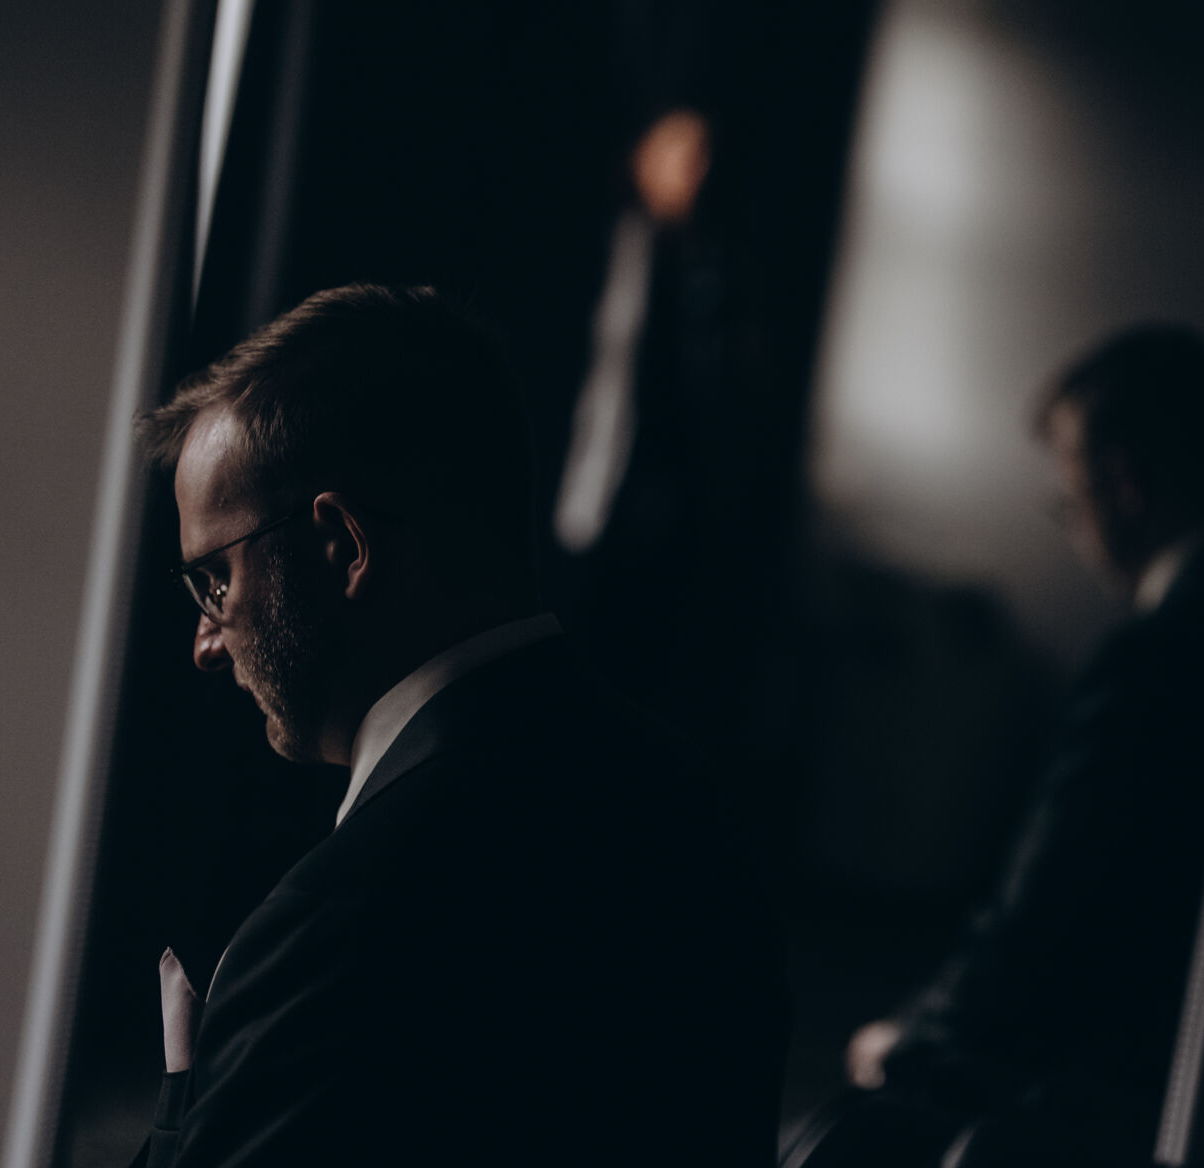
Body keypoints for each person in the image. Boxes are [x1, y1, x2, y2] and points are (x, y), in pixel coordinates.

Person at [128, 283, 785, 1167]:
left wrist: (187, 1096)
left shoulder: (332, 932)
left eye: (215, 580)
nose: (207, 643)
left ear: (342, 546)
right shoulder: (696, 813)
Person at [816, 325, 1204, 1168]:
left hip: (1091, 1082)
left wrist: (910, 1036)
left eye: (1069, 500)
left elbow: (1043, 911)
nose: (1076, 526)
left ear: (1122, 486)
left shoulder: (1152, 656)